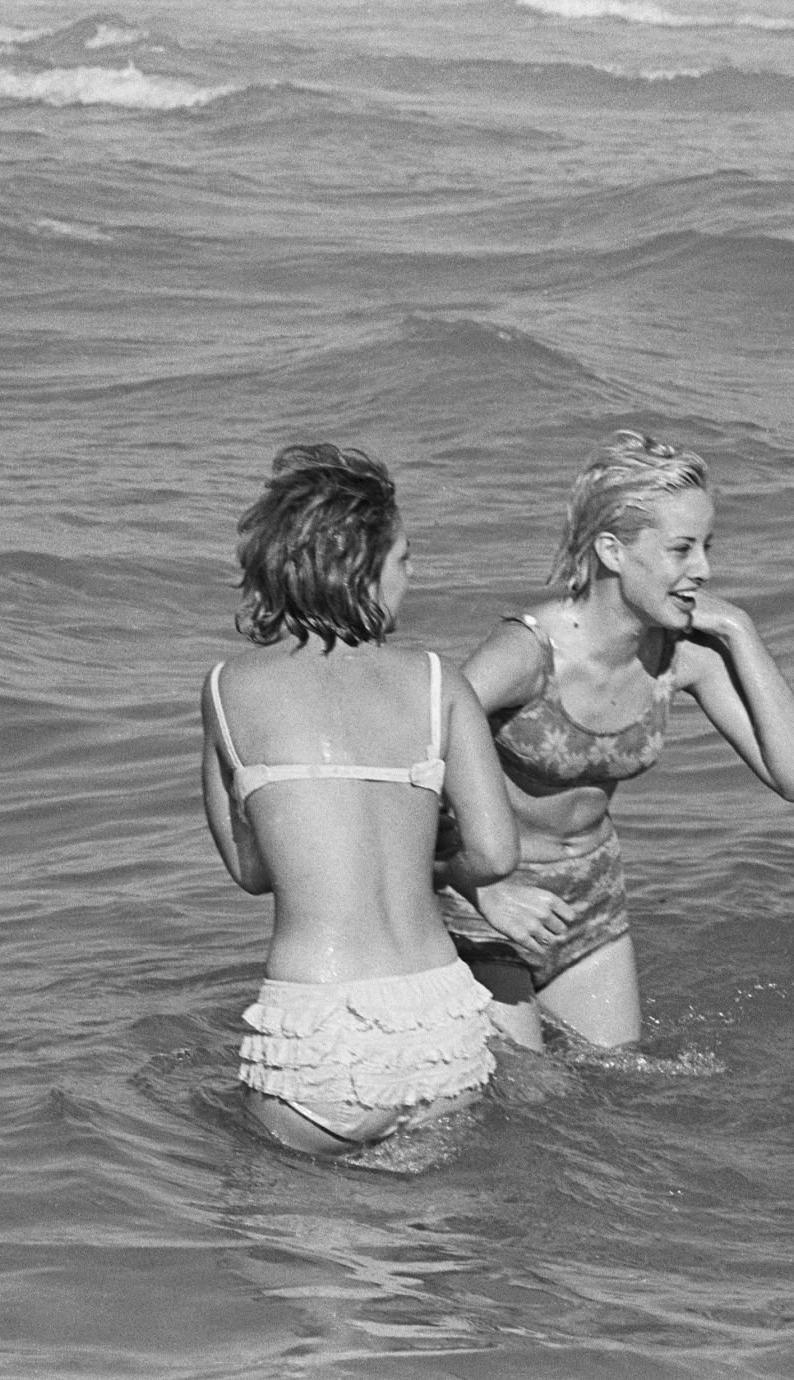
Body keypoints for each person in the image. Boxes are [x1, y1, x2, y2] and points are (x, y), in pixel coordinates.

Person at [440, 431, 794, 1050]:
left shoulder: (679, 657)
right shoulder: (525, 653)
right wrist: (482, 888)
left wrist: (739, 628)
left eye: (706, 547)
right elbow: (405, 758)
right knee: (527, 1100)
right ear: (613, 551)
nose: (703, 569)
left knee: (607, 1096)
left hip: (593, 905)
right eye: (680, 549)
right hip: (487, 902)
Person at [201, 444, 519, 1156]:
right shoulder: (438, 682)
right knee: (423, 1254)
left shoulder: (230, 688)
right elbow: (497, 853)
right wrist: (417, 863)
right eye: (404, 559)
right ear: (360, 567)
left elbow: (252, 873)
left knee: (296, 1253)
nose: (414, 575)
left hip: (318, 1029)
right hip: (440, 1025)